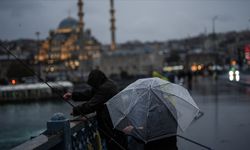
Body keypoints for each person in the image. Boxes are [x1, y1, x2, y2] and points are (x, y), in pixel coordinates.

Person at [63, 69, 127, 150]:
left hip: (113, 129)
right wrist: (73, 95)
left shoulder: (105, 88)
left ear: (96, 81)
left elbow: (92, 105)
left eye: (93, 84)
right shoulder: (107, 84)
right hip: (116, 125)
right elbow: (90, 93)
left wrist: (76, 110)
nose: (93, 87)